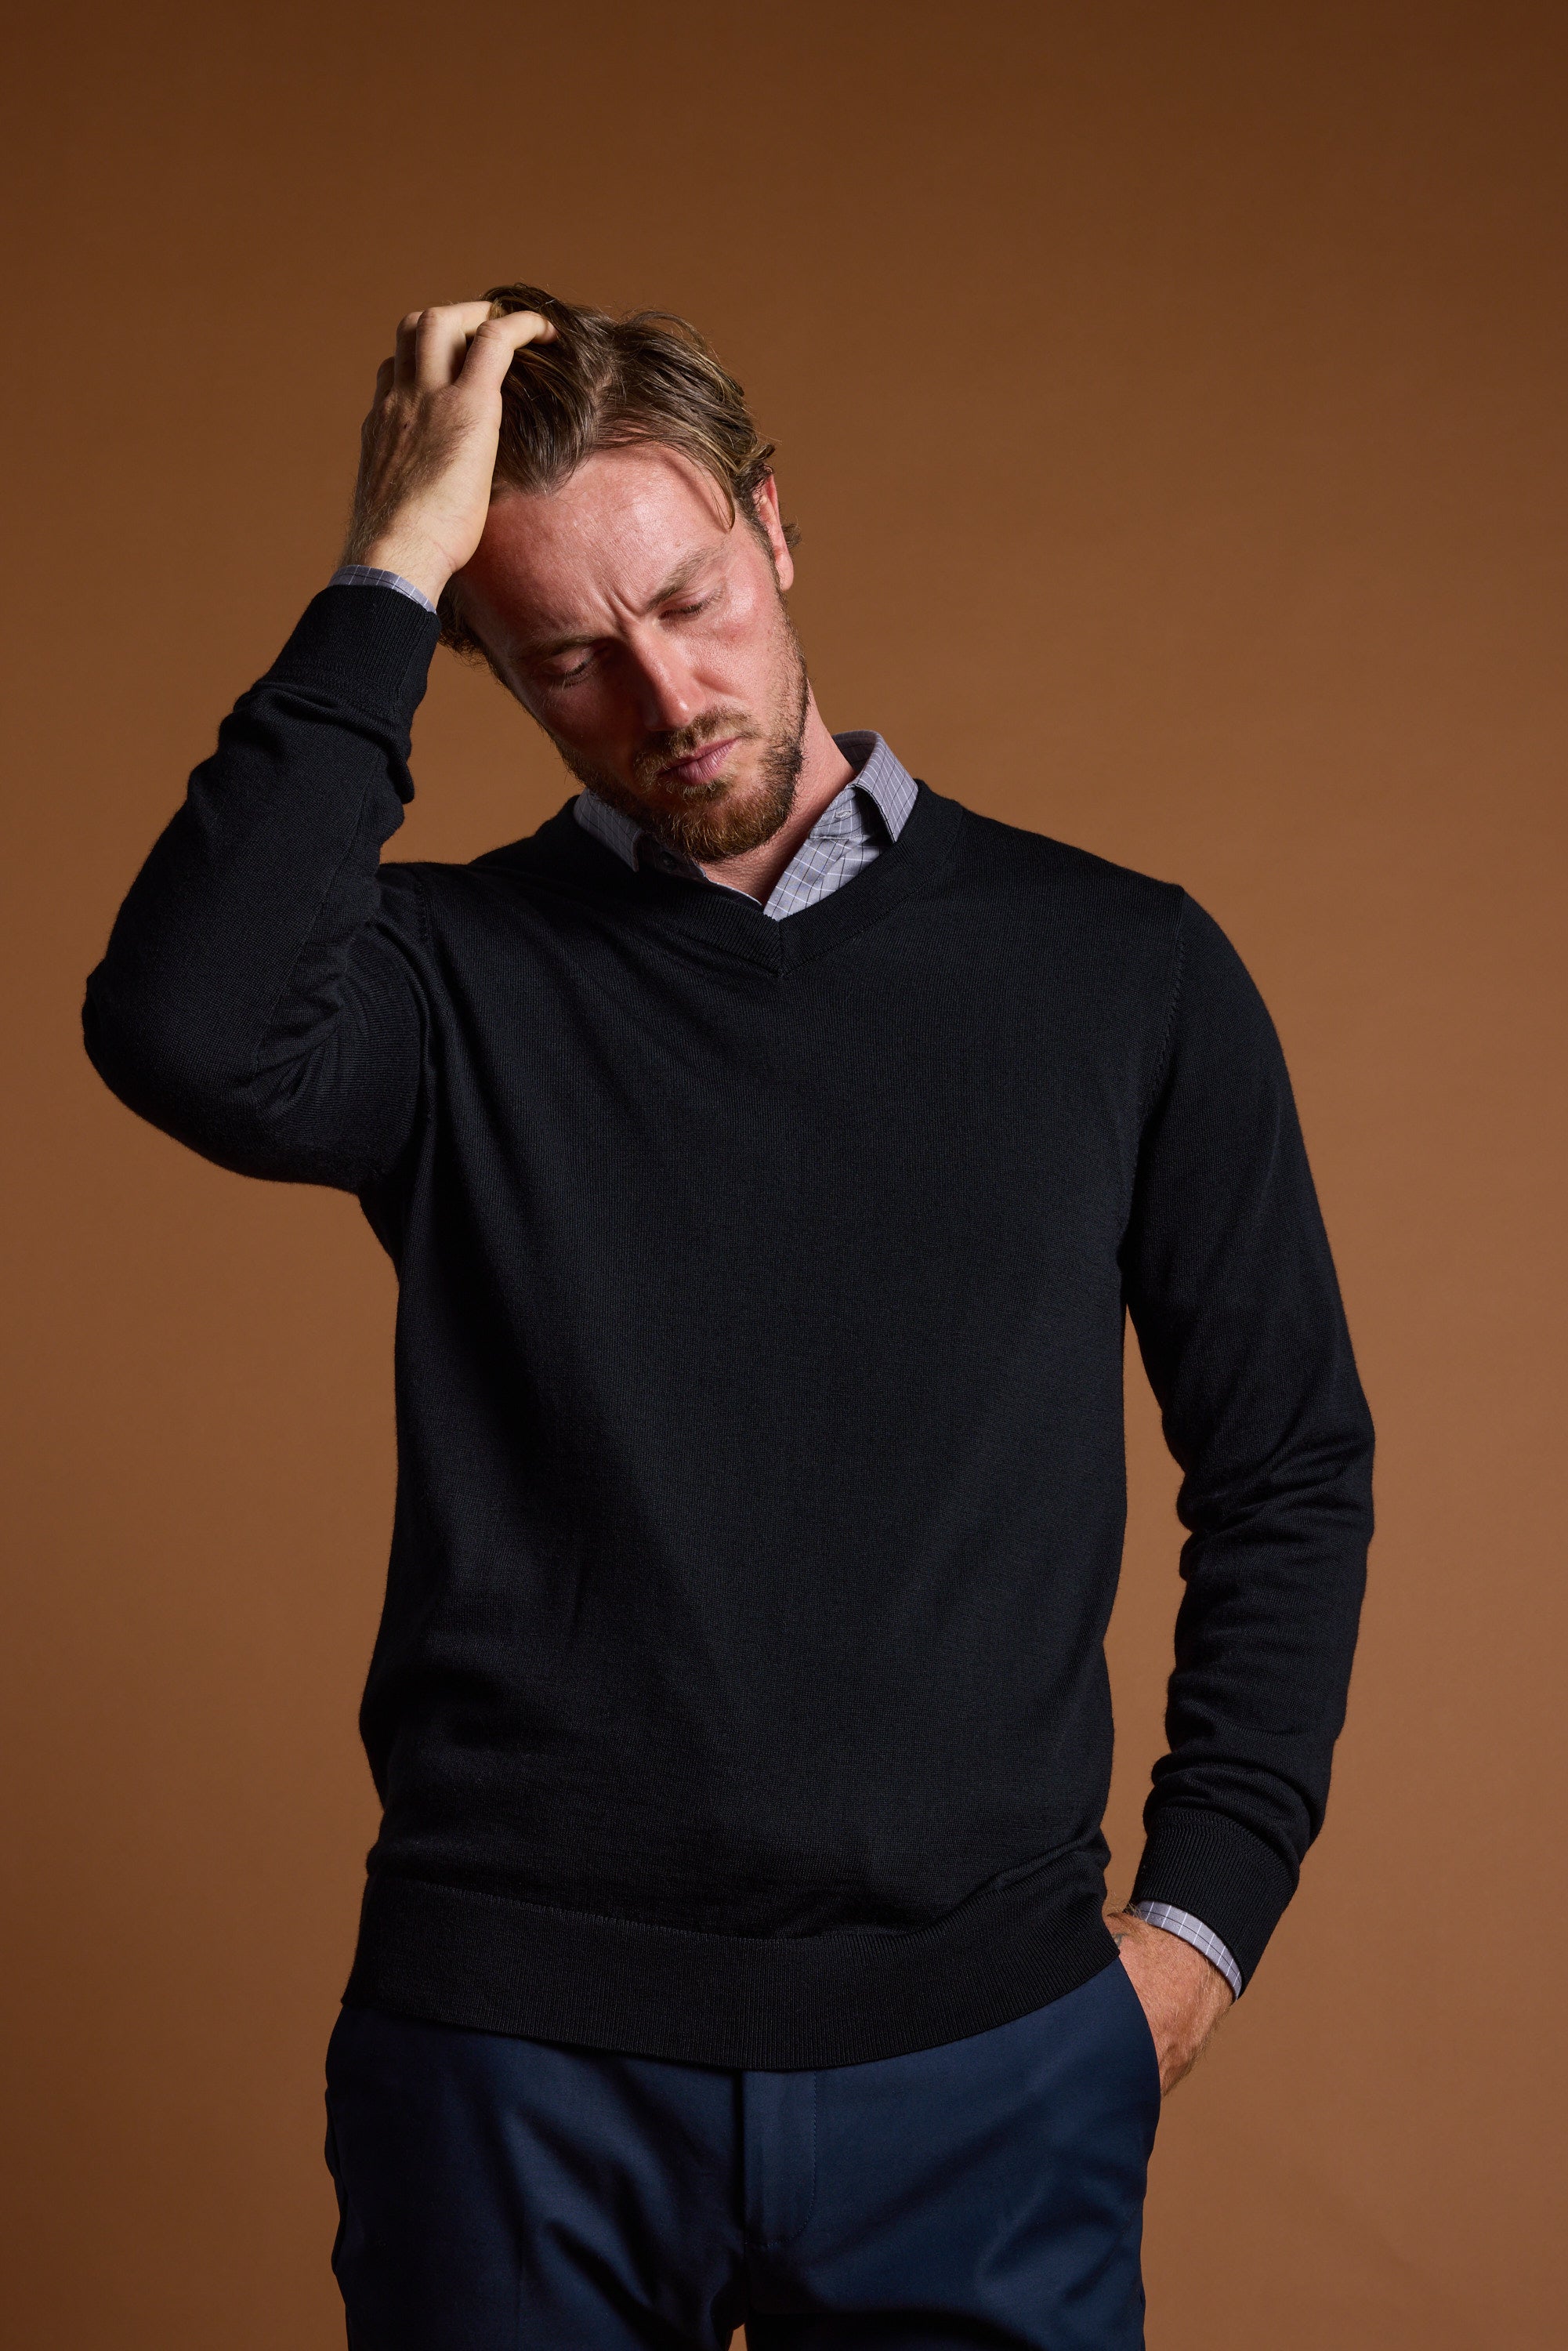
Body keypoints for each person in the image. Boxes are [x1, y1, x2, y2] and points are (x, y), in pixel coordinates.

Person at [82, 284, 1374, 2349]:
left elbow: (1289, 1460)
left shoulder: (1122, 973)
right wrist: (381, 577)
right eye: (567, 657)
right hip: (510, 2055)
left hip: (987, 2060)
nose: (664, 693)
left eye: (689, 598)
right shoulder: (441, 986)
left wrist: (1199, 1925)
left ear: (776, 529)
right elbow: (180, 1026)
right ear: (487, 668)